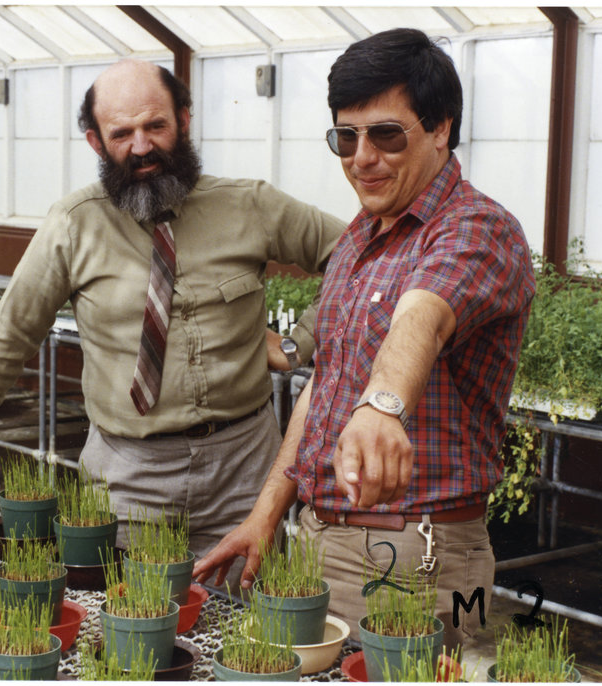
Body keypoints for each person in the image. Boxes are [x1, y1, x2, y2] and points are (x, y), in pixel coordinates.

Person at [0, 59, 346, 584]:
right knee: (132, 627)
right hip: (128, 478)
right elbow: (10, 335)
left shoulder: (251, 205)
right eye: (122, 133)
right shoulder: (73, 225)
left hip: (245, 468)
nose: (141, 145)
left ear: (184, 121)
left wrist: (300, 344)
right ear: (95, 142)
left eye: (155, 126)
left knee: (249, 632)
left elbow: (357, 254)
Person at [193, 28, 536, 645]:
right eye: (344, 138)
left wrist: (382, 407)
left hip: (422, 559)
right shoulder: (359, 236)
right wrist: (266, 514)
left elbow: (422, 317)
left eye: (385, 134)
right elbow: (325, 383)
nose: (362, 157)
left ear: (440, 129)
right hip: (322, 538)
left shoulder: (477, 228)